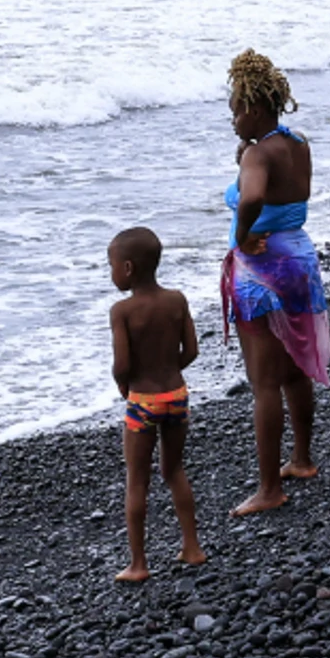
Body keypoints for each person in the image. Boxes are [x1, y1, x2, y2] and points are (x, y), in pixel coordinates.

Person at [221, 49, 330, 517]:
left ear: (256, 106)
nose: (232, 118)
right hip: (299, 258)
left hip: (263, 269)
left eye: (235, 109)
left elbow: (253, 198)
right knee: (294, 370)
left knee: (264, 383)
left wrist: (243, 237)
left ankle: (268, 489)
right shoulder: (297, 142)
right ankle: (301, 459)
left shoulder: (258, 153)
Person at [107, 226, 205, 583]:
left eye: (112, 266)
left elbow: (122, 364)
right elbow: (191, 350)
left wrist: (125, 384)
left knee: (137, 480)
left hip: (143, 402)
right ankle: (192, 547)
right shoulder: (177, 299)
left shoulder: (122, 310)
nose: (112, 273)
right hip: (177, 396)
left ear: (128, 268)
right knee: (174, 469)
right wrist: (167, 373)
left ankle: (138, 564)